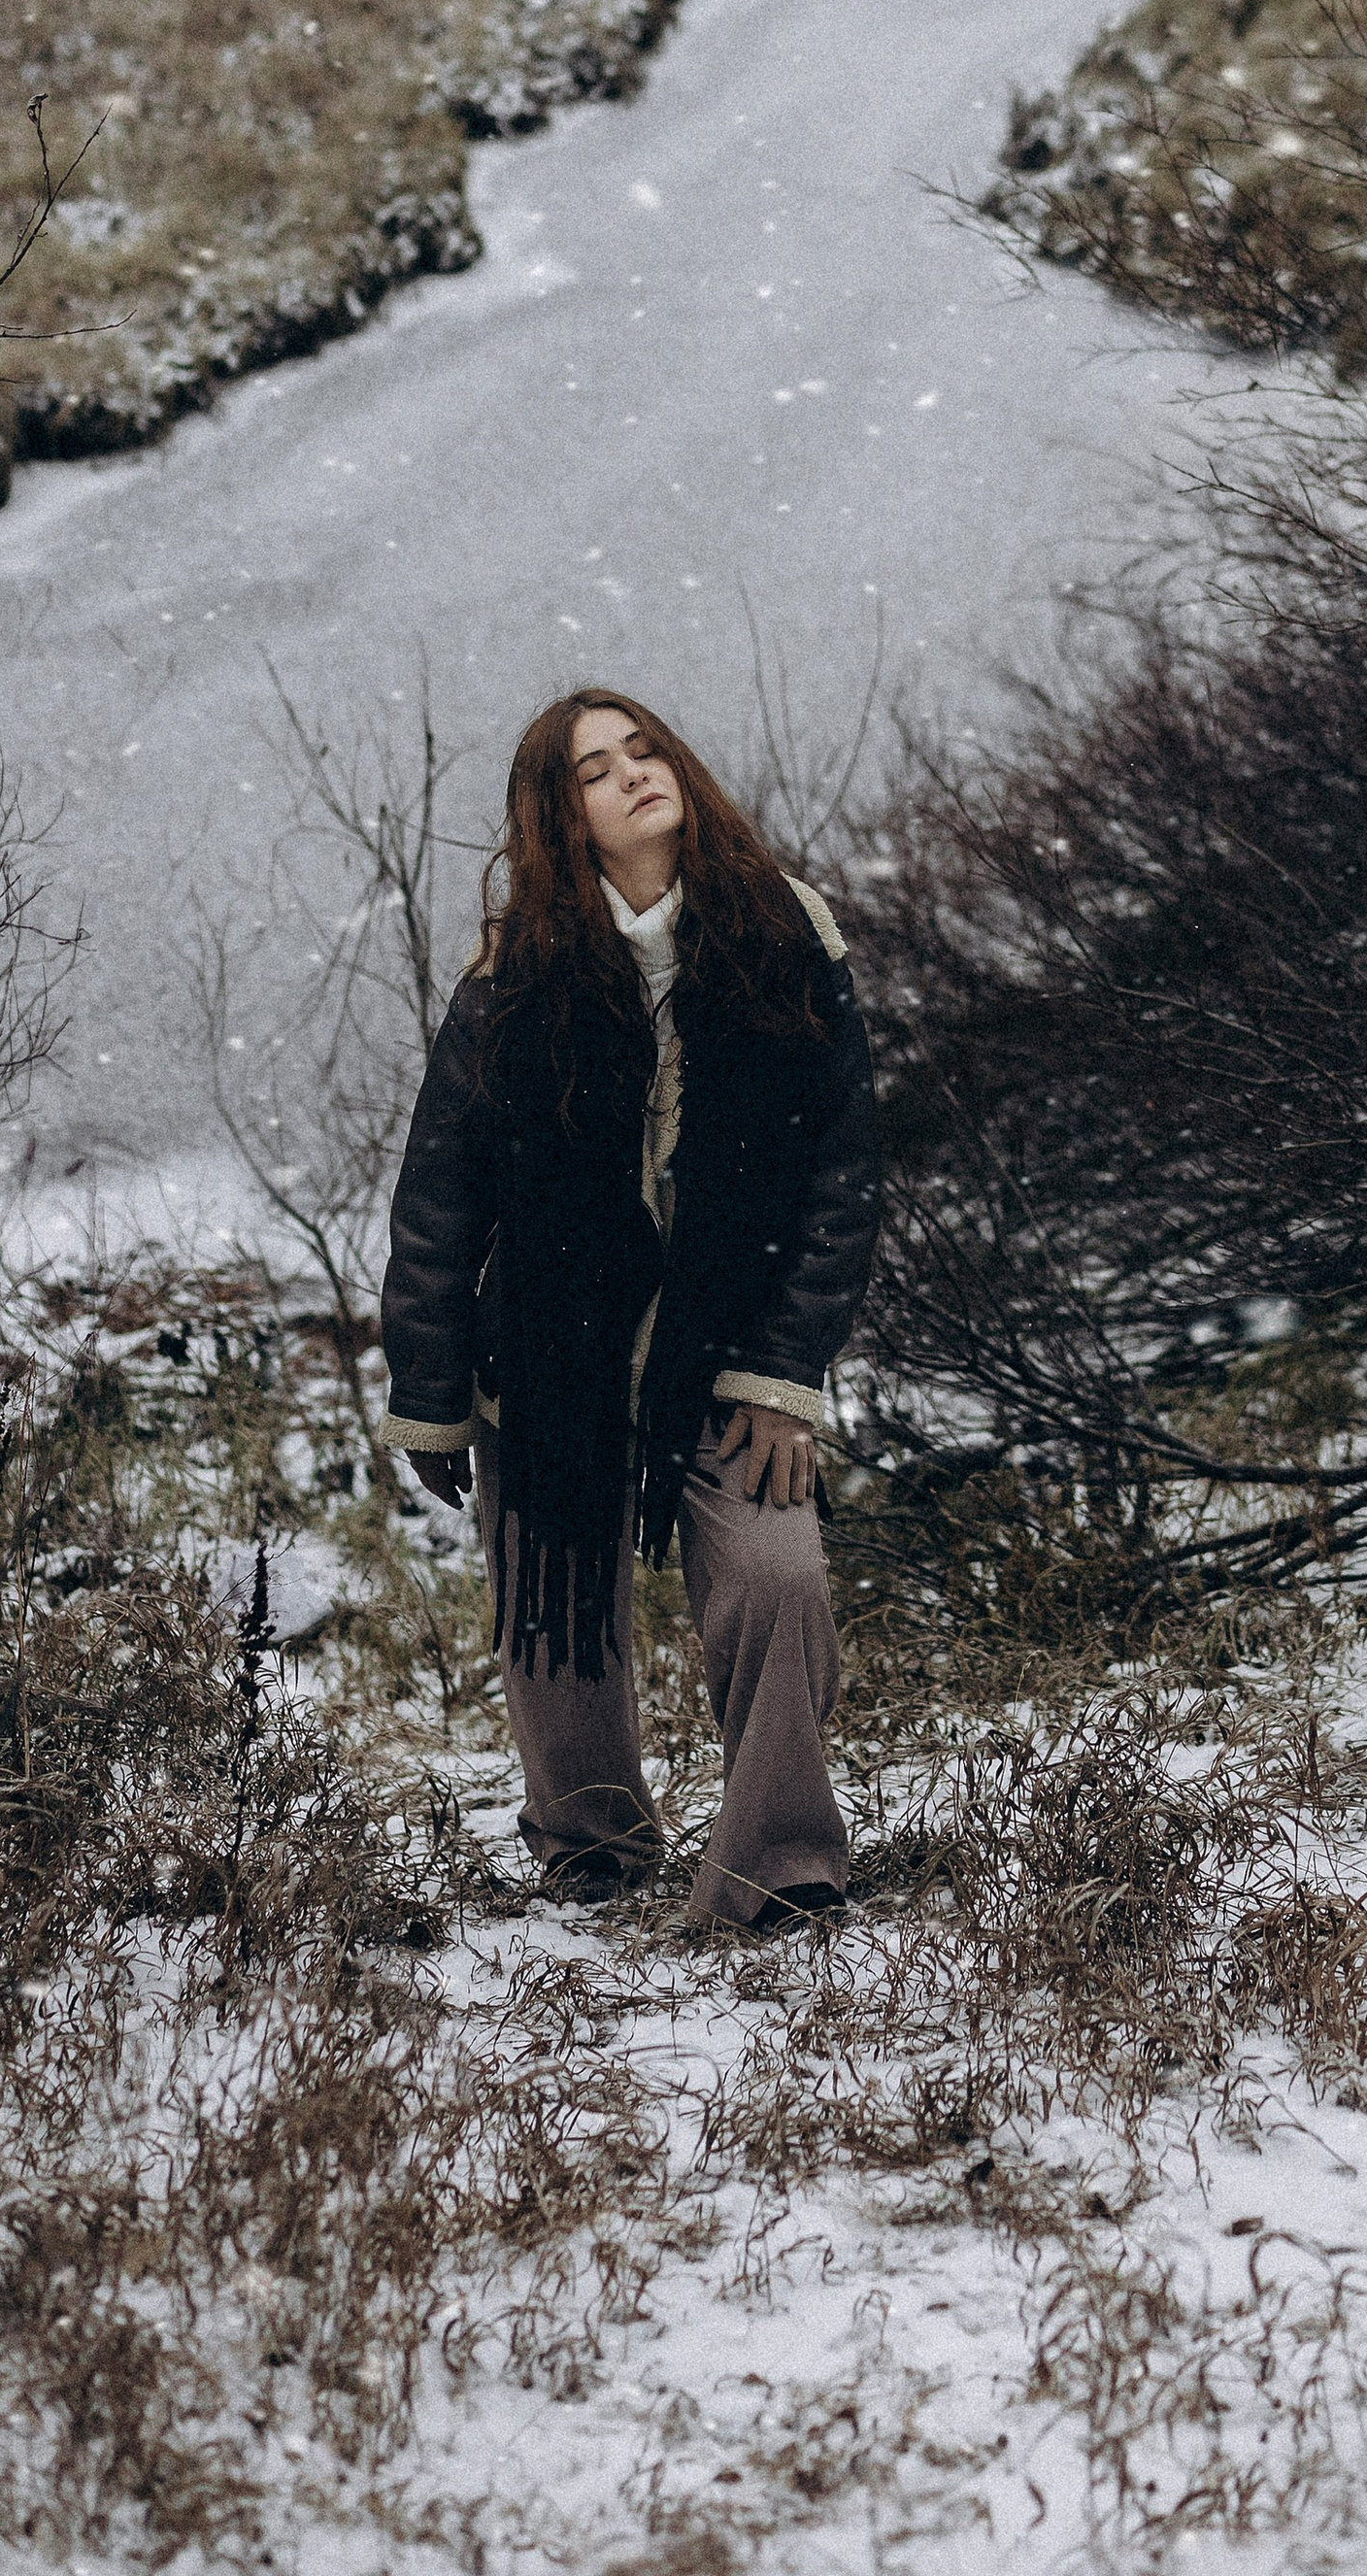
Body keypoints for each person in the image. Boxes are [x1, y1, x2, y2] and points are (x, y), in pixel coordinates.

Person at [377, 686, 882, 1924]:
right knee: (555, 1619)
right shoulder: (513, 978)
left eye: (645, 751)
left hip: (730, 1348)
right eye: (595, 770)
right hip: (552, 1350)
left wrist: (784, 1372)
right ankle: (592, 1848)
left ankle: (780, 1862)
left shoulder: (782, 935)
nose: (632, 775)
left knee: (778, 1581)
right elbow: (441, 1197)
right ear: (562, 816)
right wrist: (431, 1394)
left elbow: (843, 1172)